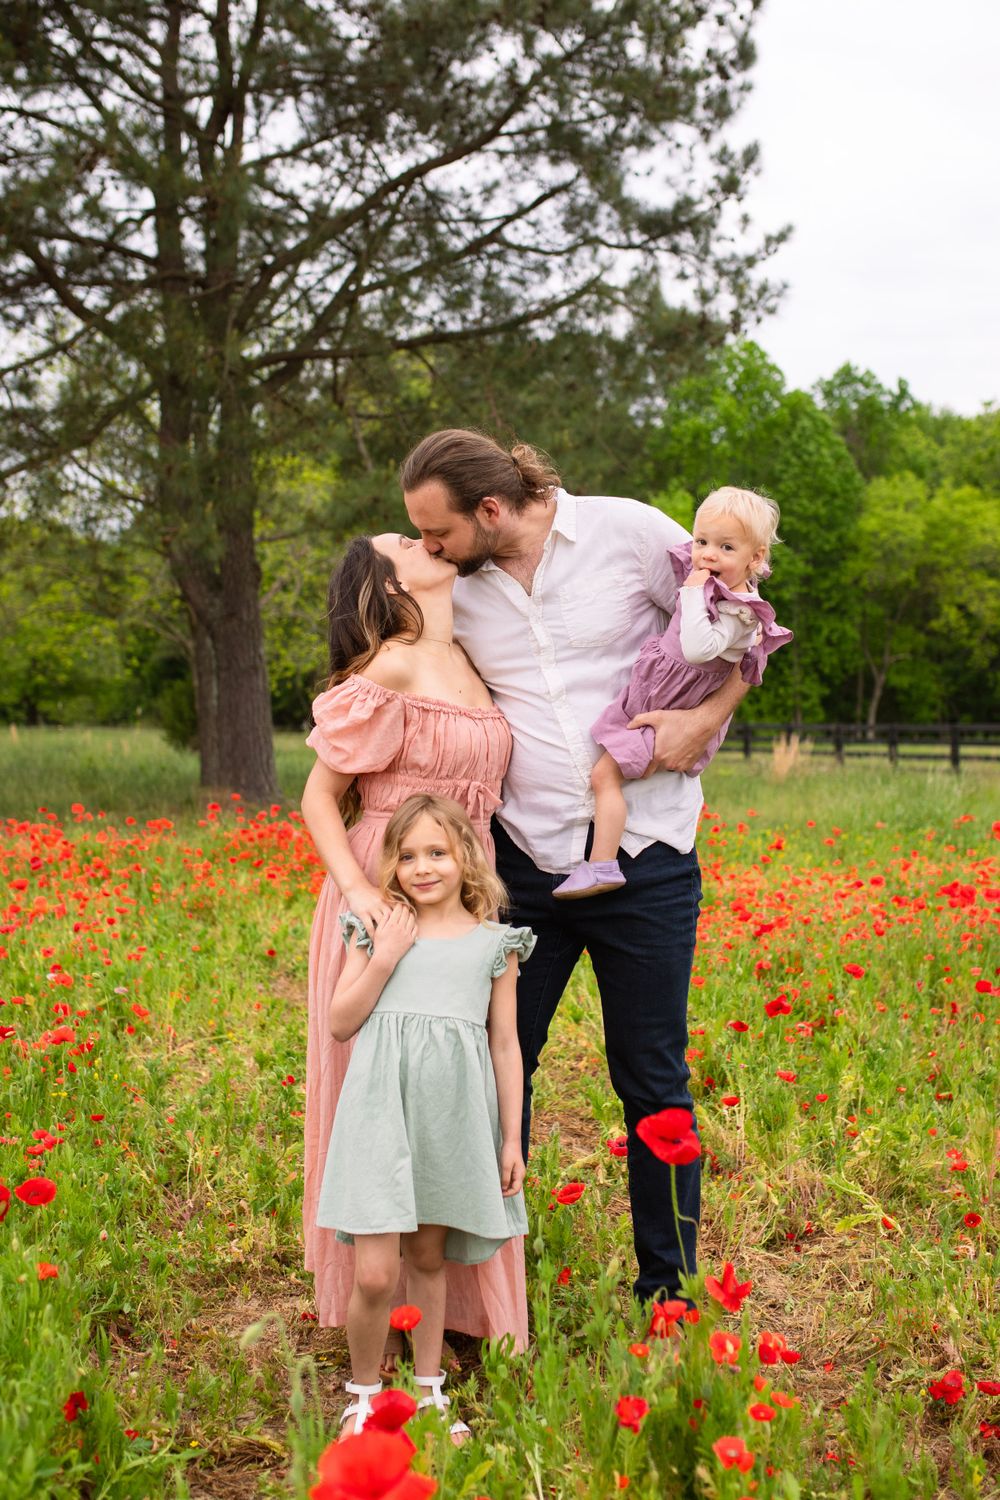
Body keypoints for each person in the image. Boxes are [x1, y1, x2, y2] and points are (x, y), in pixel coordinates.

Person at [401, 428, 754, 1306]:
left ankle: (666, 1295)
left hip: (650, 856)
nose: (429, 547)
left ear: (491, 509)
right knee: (492, 1056)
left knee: (652, 1075)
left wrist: (710, 717)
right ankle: (474, 1295)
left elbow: (741, 619)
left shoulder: (630, 532)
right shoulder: (455, 590)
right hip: (526, 865)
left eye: (438, 530)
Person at [300, 533, 529, 1361]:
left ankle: (451, 1306)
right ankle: (376, 1299)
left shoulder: (469, 657)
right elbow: (319, 799)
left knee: (454, 1075)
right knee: (378, 1078)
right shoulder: (390, 665)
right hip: (386, 886)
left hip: (461, 883)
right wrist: (362, 895)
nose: (421, 535)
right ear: (389, 580)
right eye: (402, 539)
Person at [322, 794, 533, 1437]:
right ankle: (363, 1394)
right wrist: (385, 954)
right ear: (391, 864)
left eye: (437, 852)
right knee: (378, 1270)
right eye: (407, 855)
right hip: (381, 1112)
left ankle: (427, 1390)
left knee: (428, 1259)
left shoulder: (494, 945)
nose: (422, 867)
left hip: (450, 1119)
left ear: (465, 857)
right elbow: (339, 1022)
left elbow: (505, 1045)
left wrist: (509, 1138)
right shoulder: (378, 927)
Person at [554, 485, 792, 898]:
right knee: (607, 770)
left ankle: (602, 864)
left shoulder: (739, 610)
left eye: (725, 547)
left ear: (756, 558)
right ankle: (601, 861)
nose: (707, 555)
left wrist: (691, 591)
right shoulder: (715, 585)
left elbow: (697, 647)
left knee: (603, 774)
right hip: (657, 689)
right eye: (702, 541)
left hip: (670, 703)